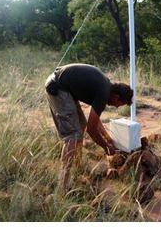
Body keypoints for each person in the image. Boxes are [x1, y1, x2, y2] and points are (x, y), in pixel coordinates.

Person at [45, 63, 133, 193]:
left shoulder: (106, 87)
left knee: (80, 126)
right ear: (116, 97)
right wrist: (106, 147)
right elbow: (91, 130)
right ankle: (63, 184)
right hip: (58, 87)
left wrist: (107, 138)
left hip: (65, 88)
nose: (117, 107)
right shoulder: (103, 93)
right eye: (119, 104)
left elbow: (94, 121)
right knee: (73, 135)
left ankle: (77, 167)